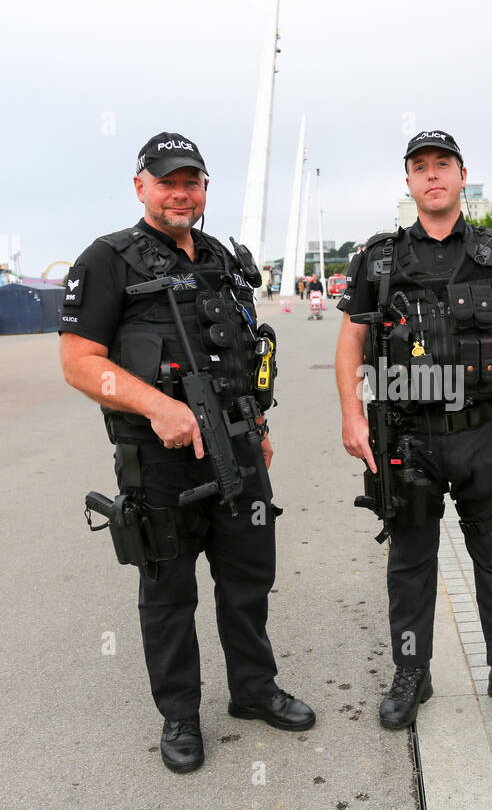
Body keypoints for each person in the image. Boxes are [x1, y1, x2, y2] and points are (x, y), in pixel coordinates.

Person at [59, 131, 314, 774]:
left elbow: (241, 353)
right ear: (140, 184)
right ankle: (179, 715)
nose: (181, 193)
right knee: (169, 590)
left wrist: (254, 426)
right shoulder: (106, 260)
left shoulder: (222, 259)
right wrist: (157, 405)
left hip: (238, 449)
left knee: (249, 580)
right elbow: (79, 364)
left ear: (205, 189)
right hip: (161, 459)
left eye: (192, 181)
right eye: (168, 181)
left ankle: (254, 691)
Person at [335, 130, 492, 729]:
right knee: (410, 562)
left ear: (462, 175)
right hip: (408, 437)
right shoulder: (378, 259)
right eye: (420, 167)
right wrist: (352, 414)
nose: (432, 176)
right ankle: (413, 672)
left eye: (443, 165)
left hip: (483, 433)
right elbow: (352, 341)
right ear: (408, 182)